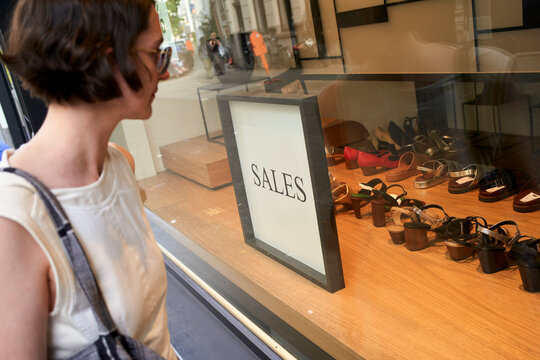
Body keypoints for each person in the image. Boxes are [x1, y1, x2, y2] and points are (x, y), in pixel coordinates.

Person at [0, 0, 176, 358]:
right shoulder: (15, 221)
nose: (165, 71)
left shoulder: (118, 165)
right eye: (156, 52)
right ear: (110, 58)